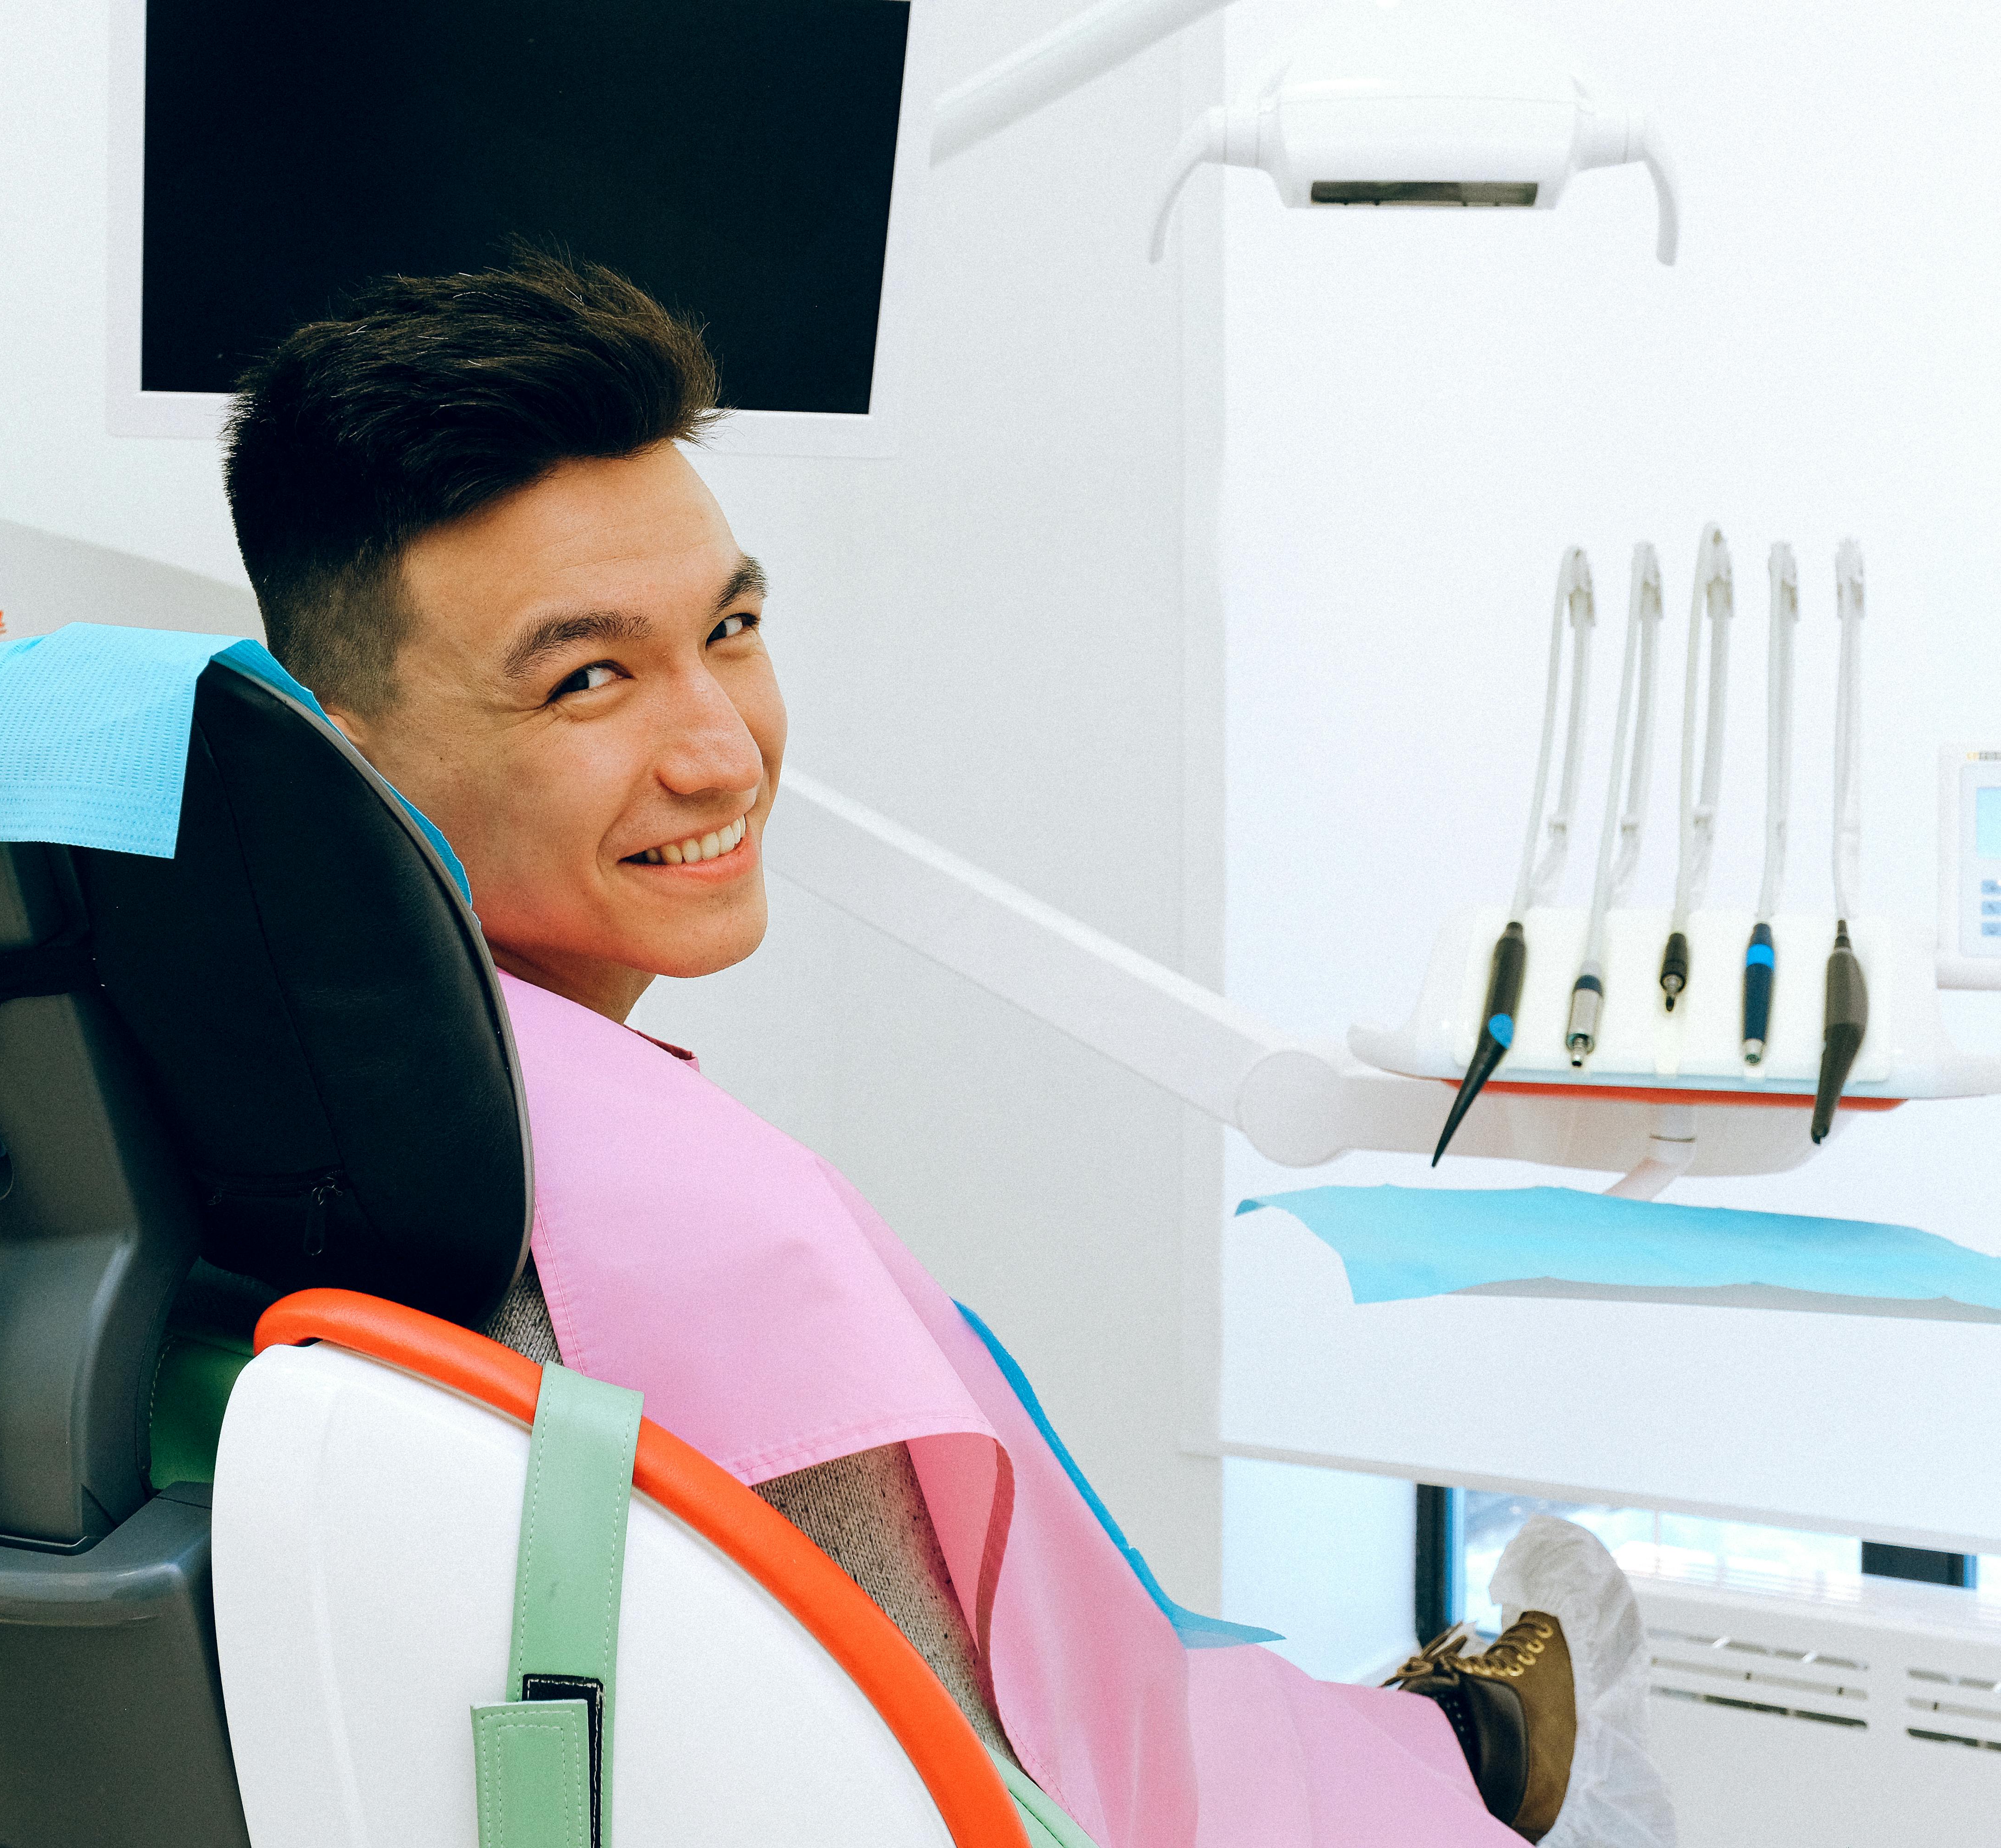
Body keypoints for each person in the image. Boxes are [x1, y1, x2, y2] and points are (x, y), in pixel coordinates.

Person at [220, 252, 1672, 1848]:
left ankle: (1448, 1737)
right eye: (590, 679)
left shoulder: (296, 1117)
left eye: (734, 626)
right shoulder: (663, 1243)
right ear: (333, 762)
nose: (720, 751)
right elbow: (958, 1788)